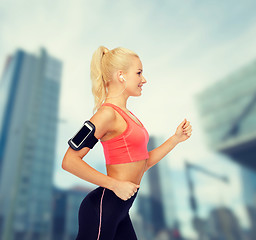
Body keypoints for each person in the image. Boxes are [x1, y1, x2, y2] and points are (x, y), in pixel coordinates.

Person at [62, 46, 192, 240]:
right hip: (102, 209)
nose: (144, 79)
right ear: (121, 75)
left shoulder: (130, 117)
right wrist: (115, 185)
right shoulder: (106, 114)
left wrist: (175, 139)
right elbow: (69, 161)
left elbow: (143, 163)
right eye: (139, 73)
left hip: (121, 210)